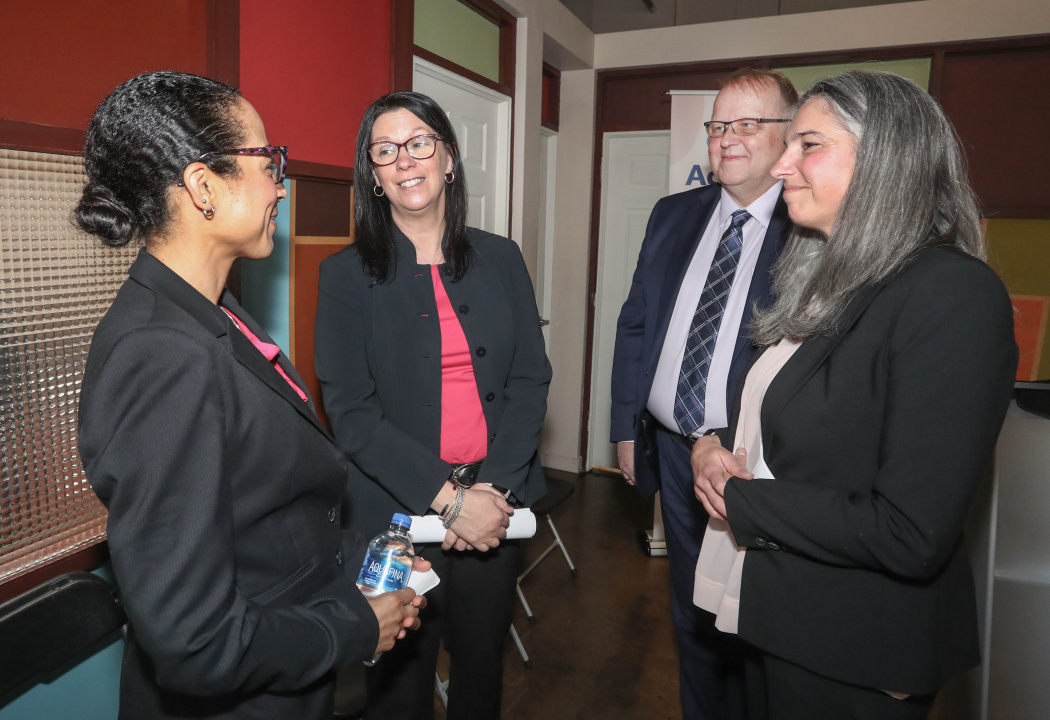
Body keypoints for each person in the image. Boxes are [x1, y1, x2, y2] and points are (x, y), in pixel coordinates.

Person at [75, 71, 427, 720]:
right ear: (204, 186)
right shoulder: (162, 357)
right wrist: (353, 626)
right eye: (268, 161)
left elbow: (261, 511)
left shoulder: (216, 313)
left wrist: (362, 558)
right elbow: (197, 642)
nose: (280, 184)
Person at [691, 71, 1018, 719]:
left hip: (852, 654)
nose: (783, 164)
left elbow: (909, 532)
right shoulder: (830, 281)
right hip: (780, 624)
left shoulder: (951, 294)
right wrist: (713, 445)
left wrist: (744, 500)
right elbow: (804, 420)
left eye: (808, 144)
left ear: (887, 160)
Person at [314, 91, 551, 720]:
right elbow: (351, 411)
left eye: (420, 142)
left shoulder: (502, 259)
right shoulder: (344, 275)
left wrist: (488, 496)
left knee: (480, 673)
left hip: (493, 509)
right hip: (395, 518)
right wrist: (449, 501)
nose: (405, 160)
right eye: (385, 150)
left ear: (448, 158)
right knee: (397, 689)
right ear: (373, 173)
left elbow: (531, 378)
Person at [609, 68, 797, 720]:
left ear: (788, 137)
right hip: (671, 449)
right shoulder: (674, 214)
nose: (728, 138)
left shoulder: (811, 234)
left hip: (755, 469)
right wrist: (628, 428)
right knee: (691, 613)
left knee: (749, 625)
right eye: (719, 125)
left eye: (749, 124)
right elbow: (636, 323)